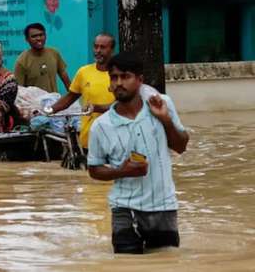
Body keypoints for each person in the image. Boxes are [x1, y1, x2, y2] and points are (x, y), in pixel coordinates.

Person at [87, 52, 189, 254]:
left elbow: (181, 146)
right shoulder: (100, 126)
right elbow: (94, 170)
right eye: (114, 77)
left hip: (163, 206)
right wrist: (121, 171)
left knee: (165, 263)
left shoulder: (162, 104)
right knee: (127, 264)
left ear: (140, 80)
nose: (119, 83)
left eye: (125, 77)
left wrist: (165, 120)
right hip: (123, 207)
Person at [49, 33, 116, 150]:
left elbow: (123, 106)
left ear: (112, 50)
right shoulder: (83, 72)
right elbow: (70, 97)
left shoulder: (120, 75)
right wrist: (50, 109)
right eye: (96, 47)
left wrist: (97, 108)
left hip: (114, 139)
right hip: (88, 138)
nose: (98, 51)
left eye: (103, 47)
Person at [14, 23, 71, 93]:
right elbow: (19, 90)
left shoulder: (54, 53)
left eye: (41, 35)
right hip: (33, 103)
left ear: (46, 36)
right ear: (27, 39)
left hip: (55, 102)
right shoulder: (22, 61)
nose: (38, 38)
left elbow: (64, 76)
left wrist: (73, 99)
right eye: (34, 36)